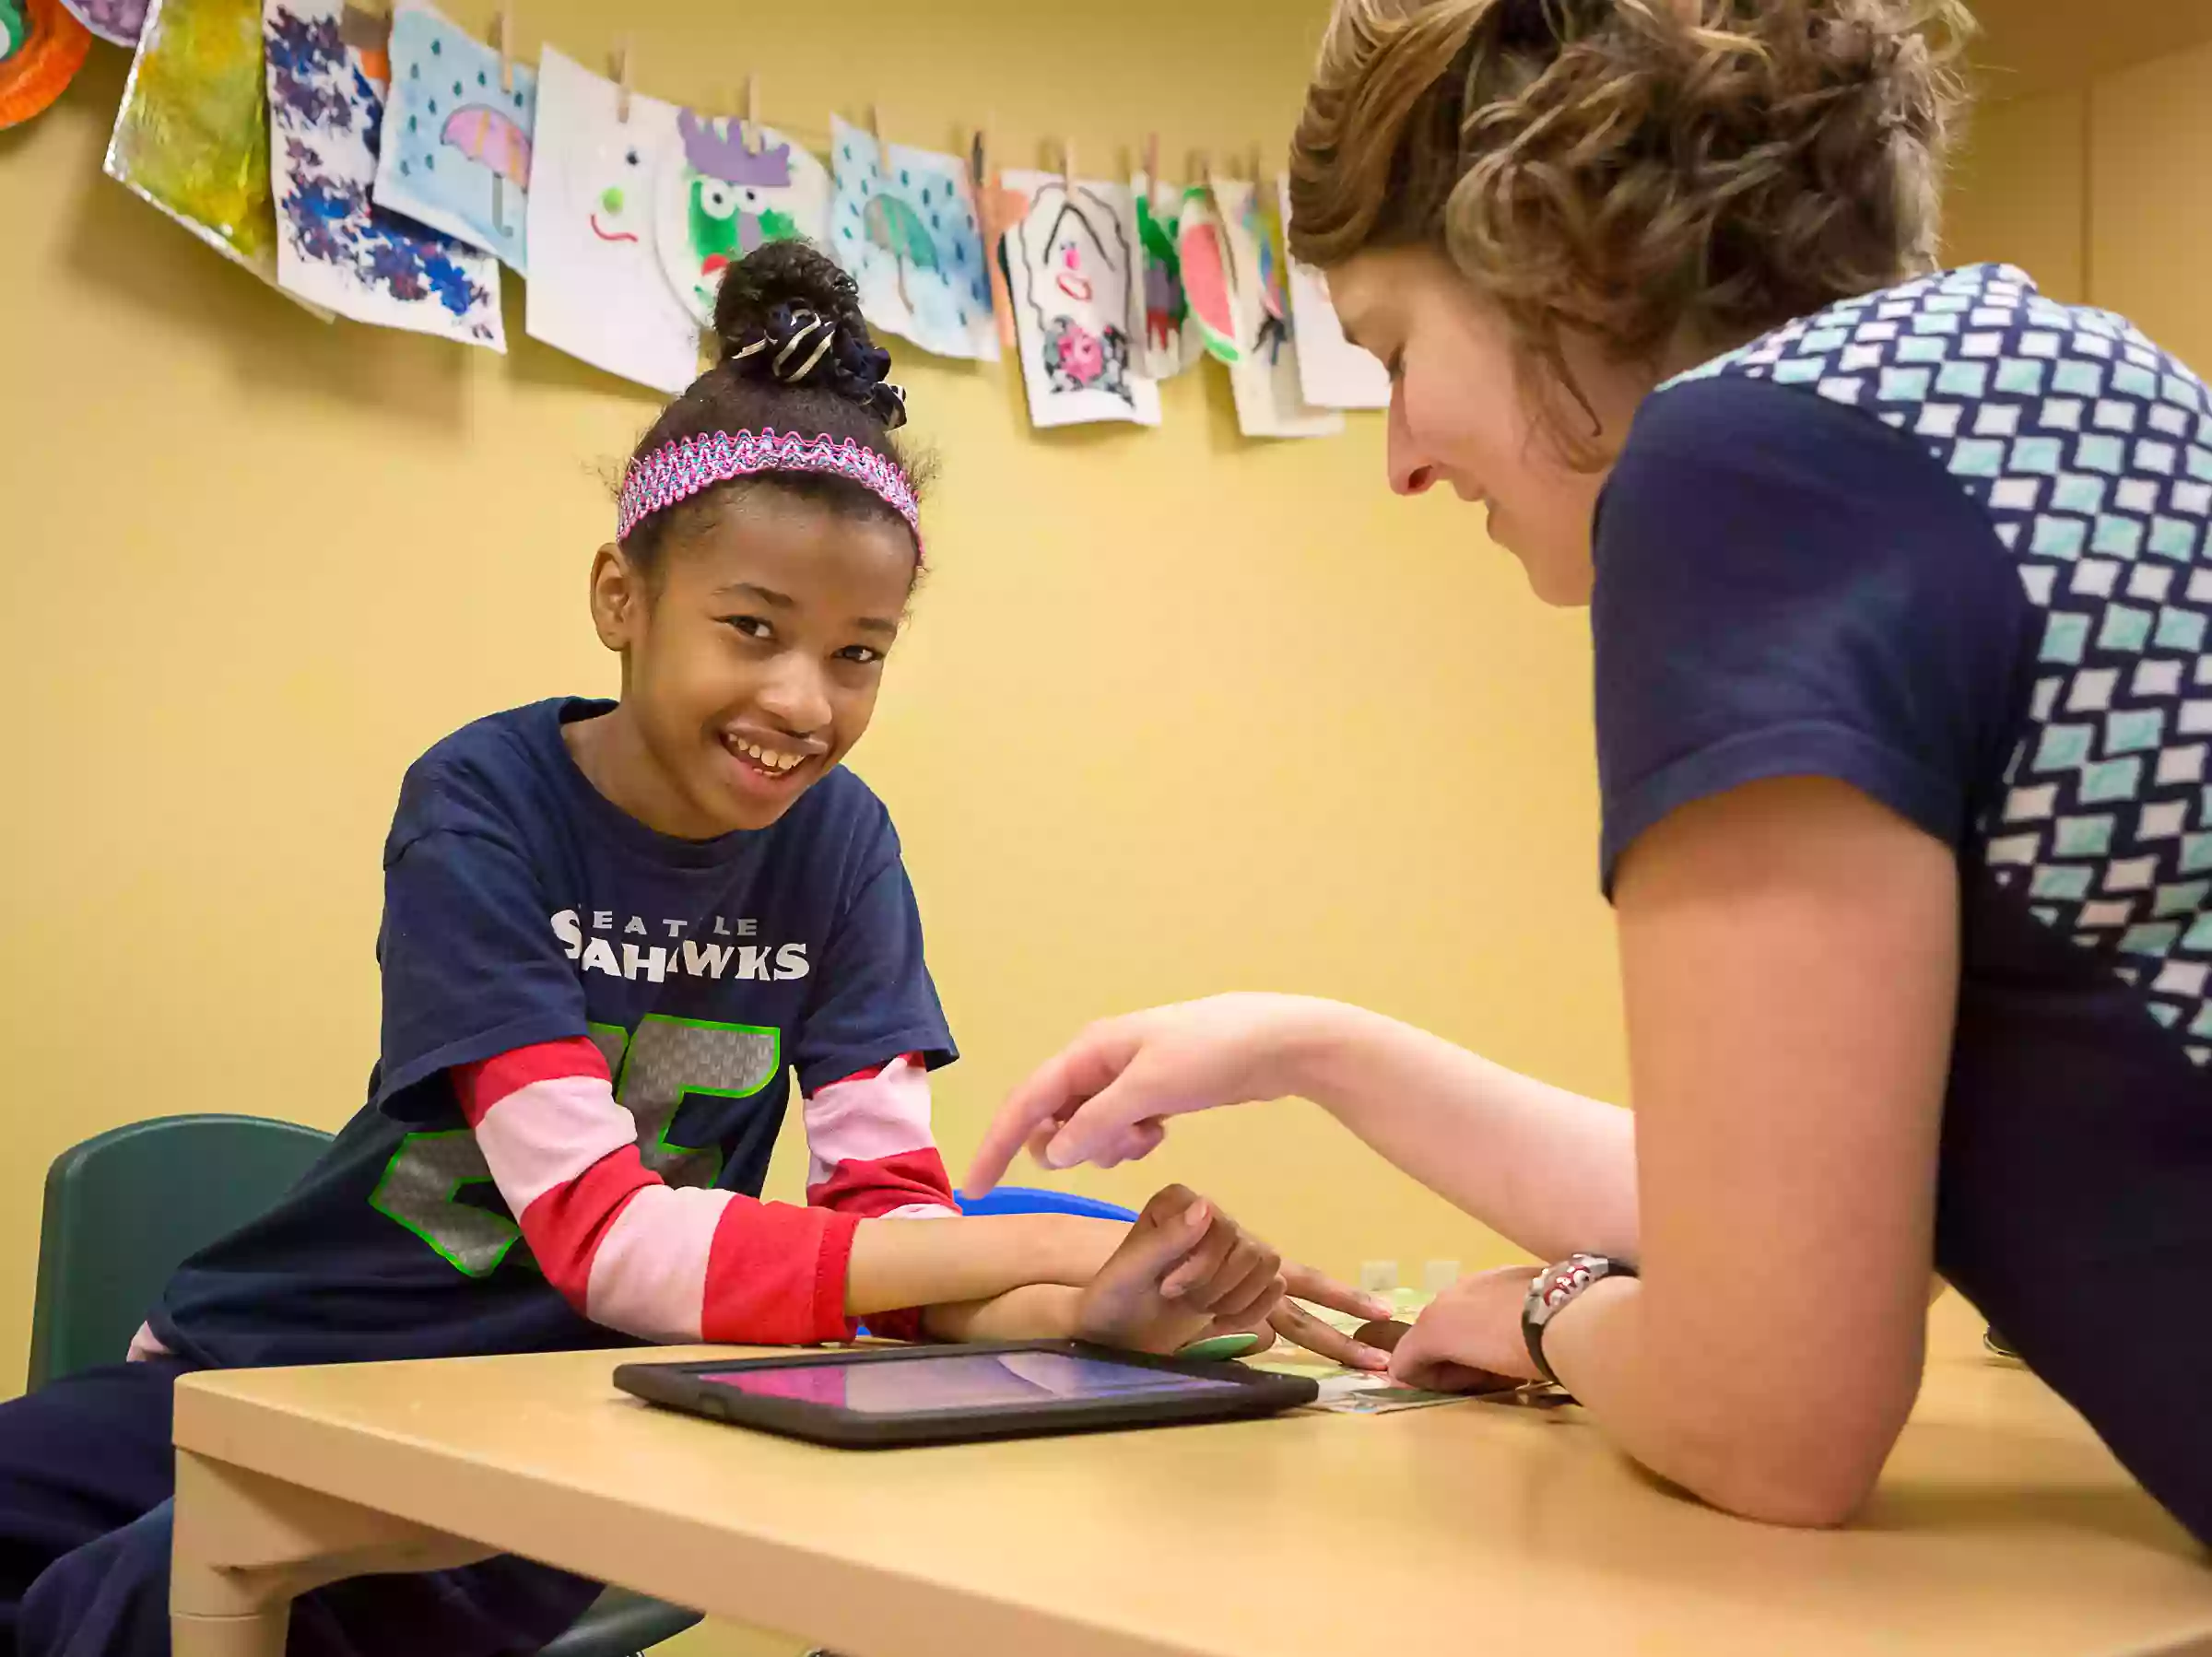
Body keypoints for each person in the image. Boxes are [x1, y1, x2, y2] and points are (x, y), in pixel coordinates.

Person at [0, 243, 1382, 1657]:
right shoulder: (480, 803)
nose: (804, 697)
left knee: (161, 1598)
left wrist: (1092, 1307)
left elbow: (884, 1244)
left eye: (860, 653)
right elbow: (611, 1240)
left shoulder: (844, 850)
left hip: (543, 1426)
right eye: (753, 628)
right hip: (277, 1364)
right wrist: (1034, 1242)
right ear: (621, 597)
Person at [968, 0, 2212, 1545]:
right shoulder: (2069, 380)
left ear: (1538, 244)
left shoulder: (1733, 474)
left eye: (1396, 350)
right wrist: (1313, 1044)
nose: (1402, 457)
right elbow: (1788, 1205)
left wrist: (1549, 1313)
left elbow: (1775, 1414)